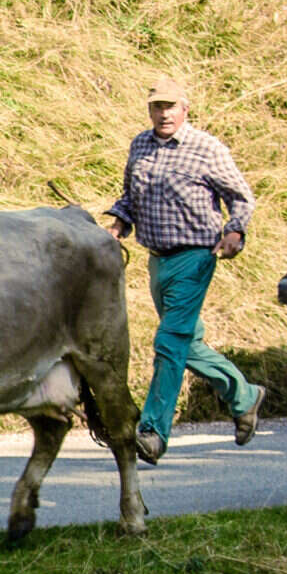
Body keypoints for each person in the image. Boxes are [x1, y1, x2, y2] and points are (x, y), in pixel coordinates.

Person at [104, 78, 265, 463]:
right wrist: (118, 225)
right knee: (185, 343)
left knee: (169, 342)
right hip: (157, 258)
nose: (163, 113)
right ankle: (244, 396)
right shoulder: (140, 144)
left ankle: (153, 432)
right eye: (157, 107)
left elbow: (241, 197)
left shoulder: (206, 147)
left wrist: (235, 230)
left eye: (170, 106)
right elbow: (130, 196)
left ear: (185, 109)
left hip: (196, 256)